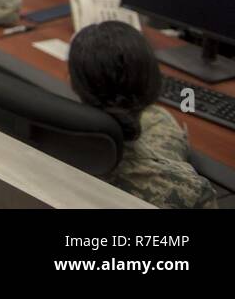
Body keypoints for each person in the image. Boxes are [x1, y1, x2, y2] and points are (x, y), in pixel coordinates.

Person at [68, 20, 216, 209]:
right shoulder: (189, 191)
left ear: (74, 83)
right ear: (154, 87)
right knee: (160, 117)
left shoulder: (43, 149)